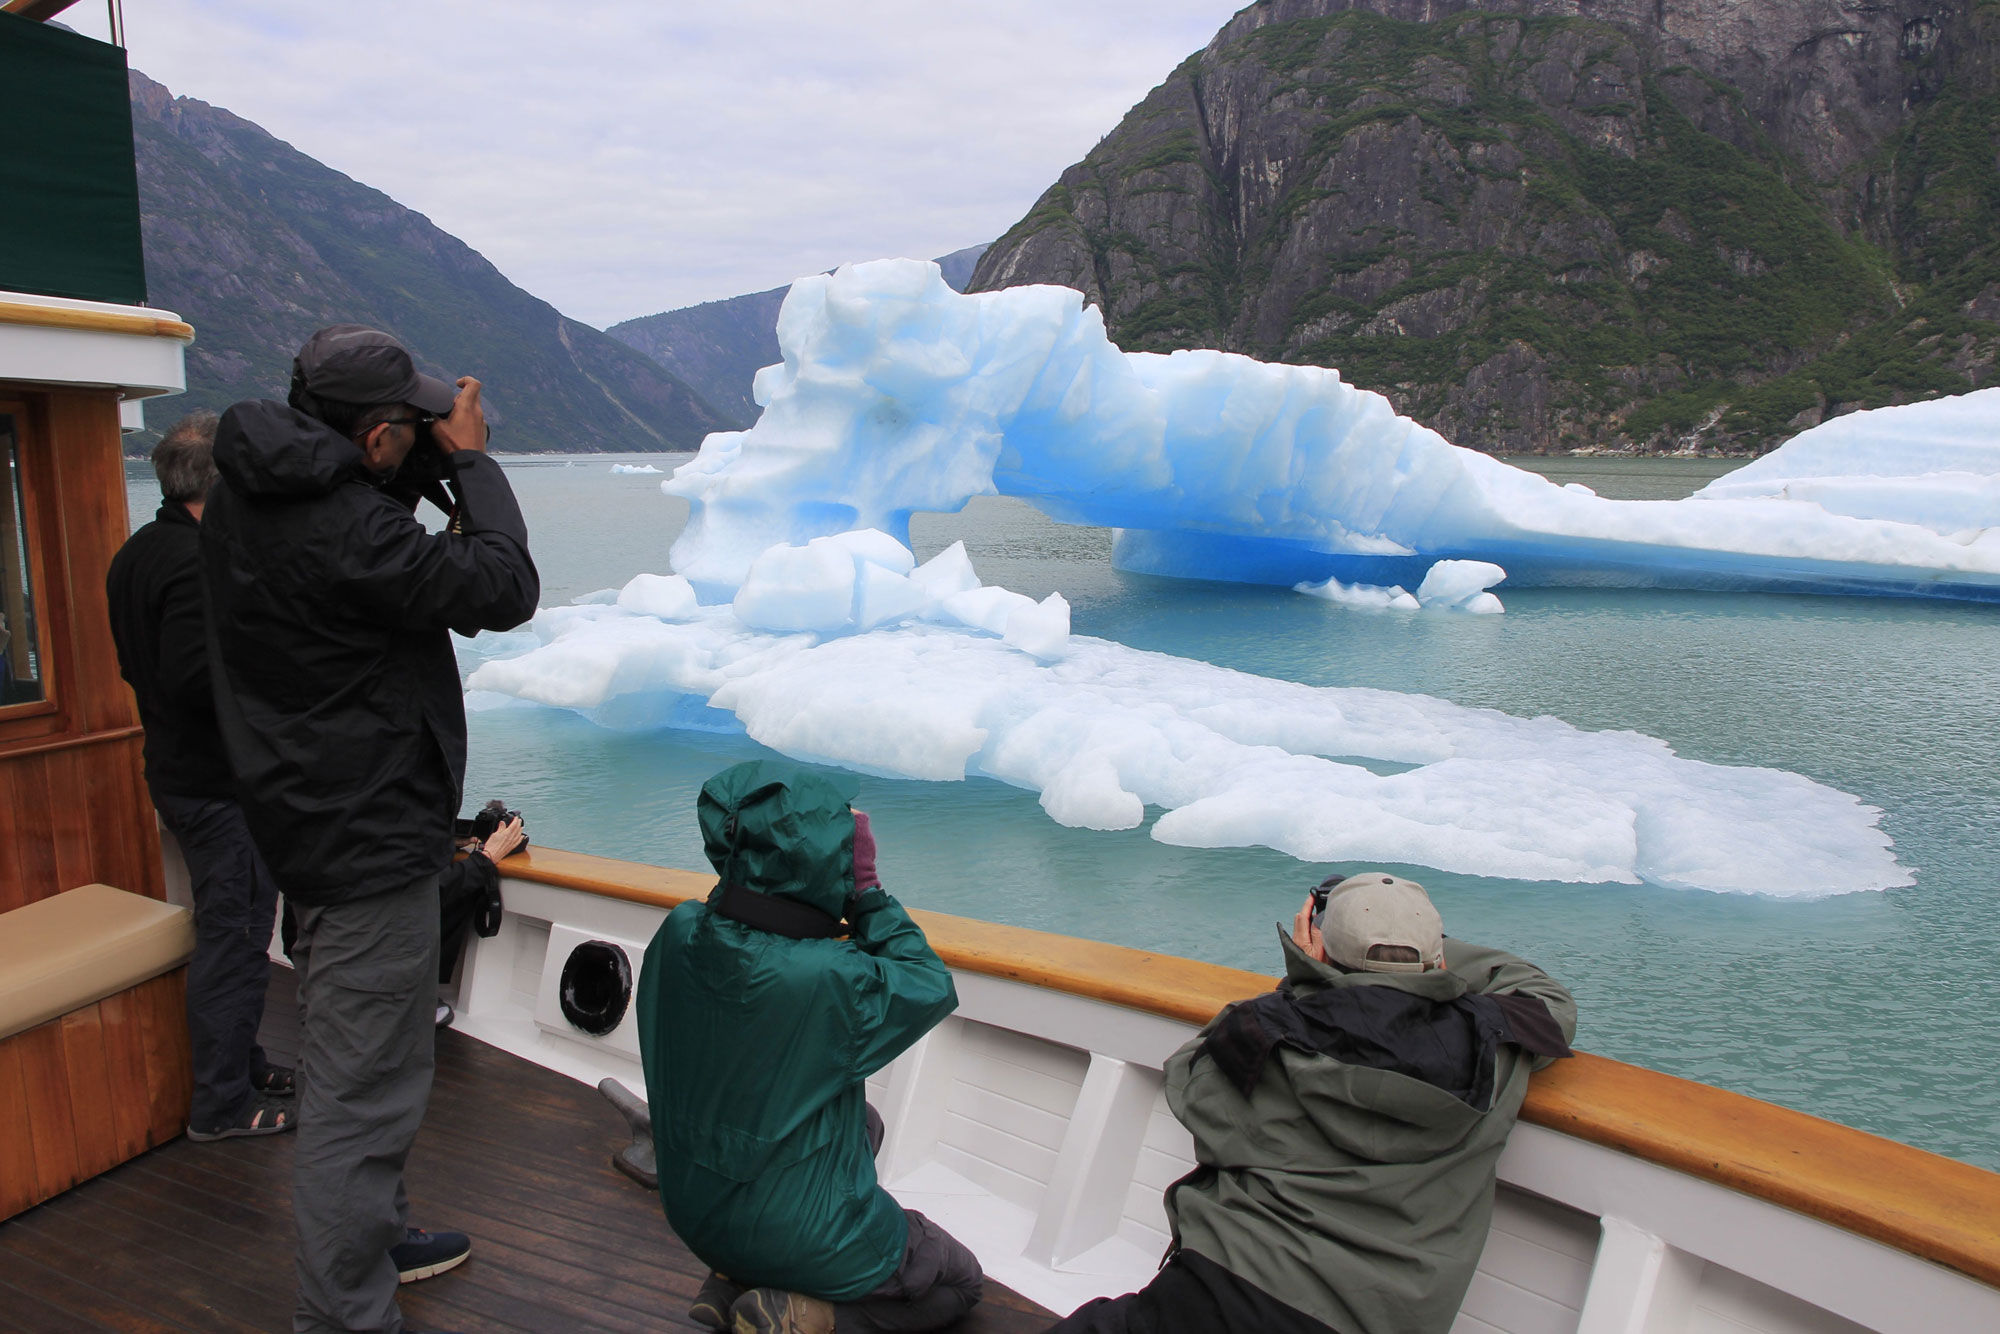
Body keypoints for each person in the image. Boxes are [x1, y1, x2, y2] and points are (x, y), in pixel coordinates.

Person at [201, 325, 539, 1334]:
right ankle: (345, 1312)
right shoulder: (348, 531)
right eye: (413, 425)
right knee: (361, 1093)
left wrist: (405, 461)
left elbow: (356, 530)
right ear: (379, 433)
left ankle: (378, 1233)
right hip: (363, 838)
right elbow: (499, 587)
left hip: (313, 815)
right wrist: (469, 463)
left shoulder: (249, 497)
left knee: (377, 1065)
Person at [1049, 872, 1575, 1334]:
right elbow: (1543, 994)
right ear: (1437, 955)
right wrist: (1413, 944)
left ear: (1317, 947)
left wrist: (1306, 977)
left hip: (1223, 1295)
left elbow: (1193, 1088)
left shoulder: (1263, 1035)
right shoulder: (1496, 1050)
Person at [638, 760, 985, 1334]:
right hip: (802, 1237)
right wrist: (867, 892)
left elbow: (741, 911)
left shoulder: (679, 931)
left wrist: (777, 865)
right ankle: (807, 1316)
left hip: (694, 1212)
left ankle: (729, 1280)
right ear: (831, 860)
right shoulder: (828, 978)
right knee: (959, 1280)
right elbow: (928, 984)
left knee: (865, 1123)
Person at [106, 411, 292, 1141]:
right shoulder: (196, 562)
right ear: (219, 486)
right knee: (237, 939)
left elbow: (138, 666)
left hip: (179, 774)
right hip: (220, 788)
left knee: (233, 932)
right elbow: (194, 678)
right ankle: (221, 1105)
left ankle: (243, 1068)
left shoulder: (139, 552)